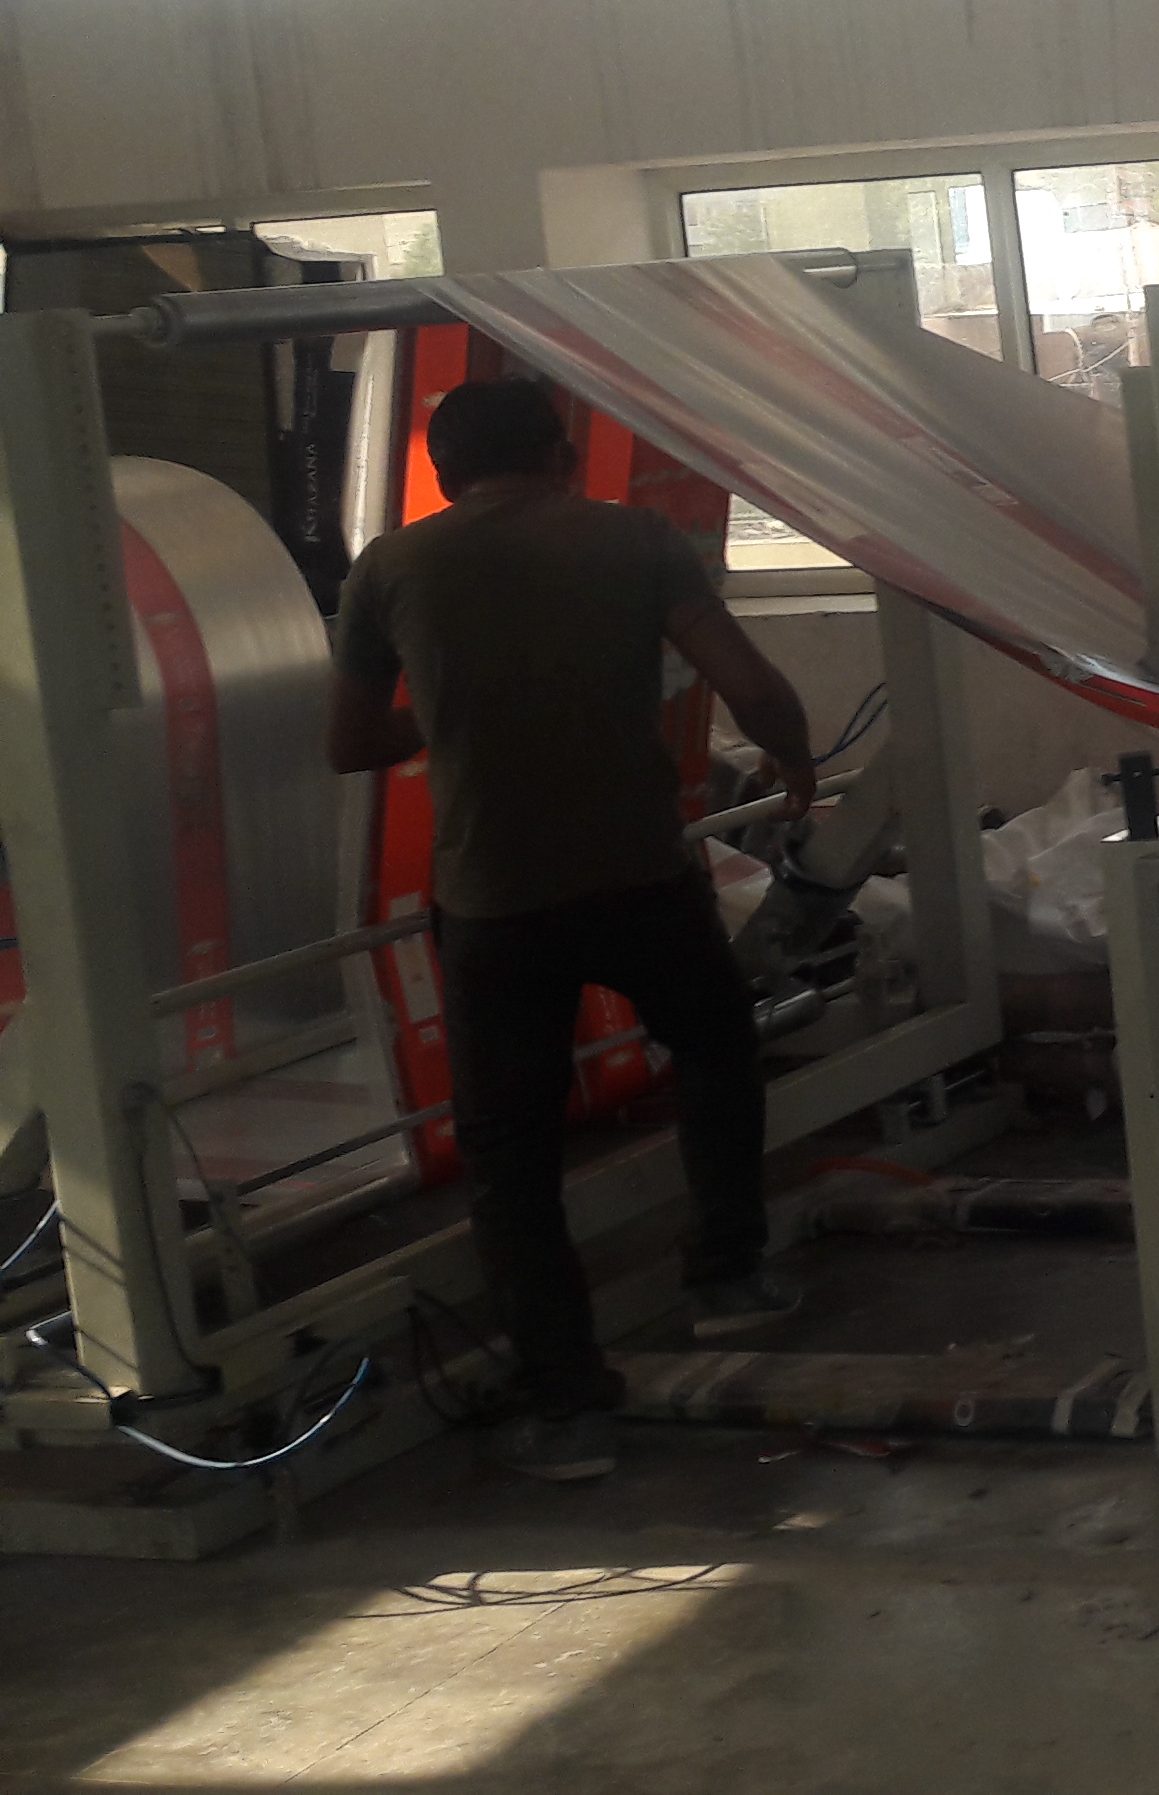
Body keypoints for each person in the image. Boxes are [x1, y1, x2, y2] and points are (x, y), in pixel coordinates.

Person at [328, 379, 824, 1482]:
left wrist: (452, 711)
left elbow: (349, 744)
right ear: (561, 456)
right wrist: (794, 761)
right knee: (715, 1046)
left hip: (494, 903)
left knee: (510, 1156)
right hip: (640, 876)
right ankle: (728, 1275)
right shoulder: (635, 541)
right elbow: (751, 685)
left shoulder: (391, 568)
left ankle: (568, 1409)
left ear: (445, 476)